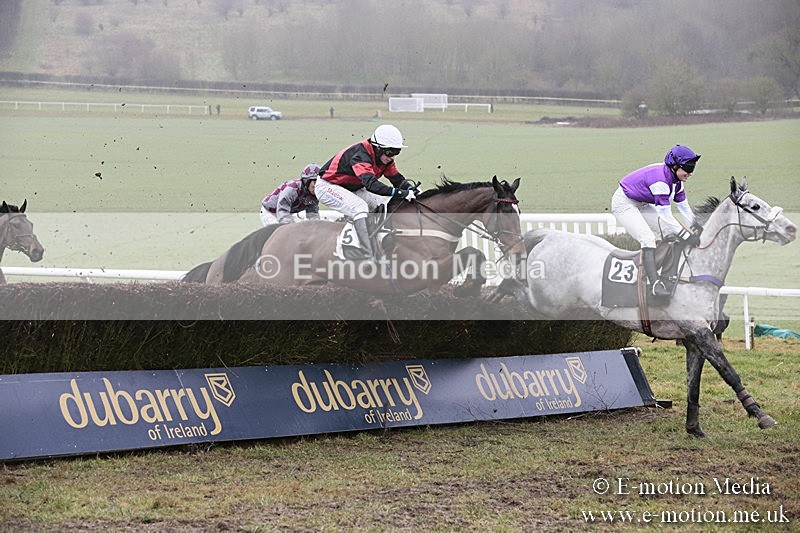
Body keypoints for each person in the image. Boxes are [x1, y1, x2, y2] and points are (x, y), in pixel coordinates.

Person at [315, 124, 417, 261]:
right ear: (378, 148)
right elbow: (371, 185)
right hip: (328, 187)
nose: (392, 157)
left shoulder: (385, 159)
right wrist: (399, 193)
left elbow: (396, 179)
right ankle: (367, 253)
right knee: (360, 207)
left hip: (352, 187)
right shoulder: (360, 155)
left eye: (396, 152)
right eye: (390, 152)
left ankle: (380, 240)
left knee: (386, 202)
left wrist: (410, 189)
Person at [611, 144, 701, 297]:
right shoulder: (661, 182)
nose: (690, 173)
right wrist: (687, 236)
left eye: (692, 168)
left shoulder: (677, 182)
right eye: (688, 168)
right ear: (674, 166)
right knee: (648, 238)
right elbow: (666, 215)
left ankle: (667, 274)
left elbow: (684, 207)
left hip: (642, 203)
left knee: (669, 232)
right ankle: (654, 284)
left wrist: (696, 227)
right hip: (624, 203)